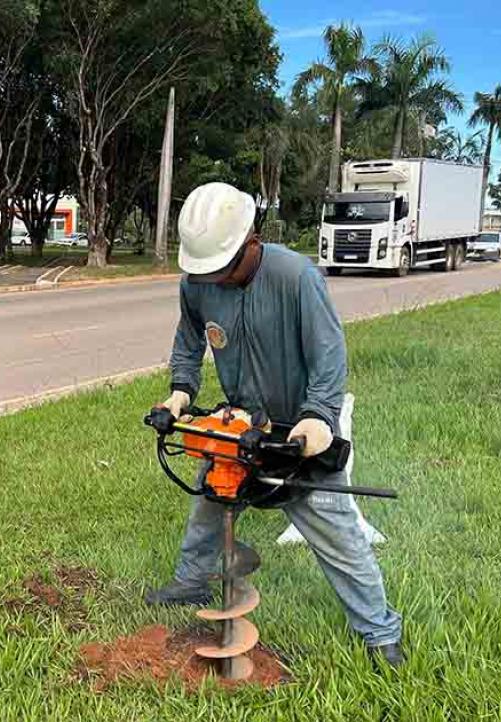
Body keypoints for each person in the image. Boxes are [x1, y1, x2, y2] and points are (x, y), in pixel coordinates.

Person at [144, 182, 404, 668]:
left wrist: (318, 418)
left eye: (223, 268)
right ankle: (190, 581)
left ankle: (379, 632)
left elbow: (328, 356)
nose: (215, 279)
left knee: (339, 536)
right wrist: (181, 392)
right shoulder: (197, 280)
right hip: (240, 425)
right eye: (207, 271)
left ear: (251, 239)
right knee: (210, 503)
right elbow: (188, 341)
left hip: (297, 434)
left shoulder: (296, 276)